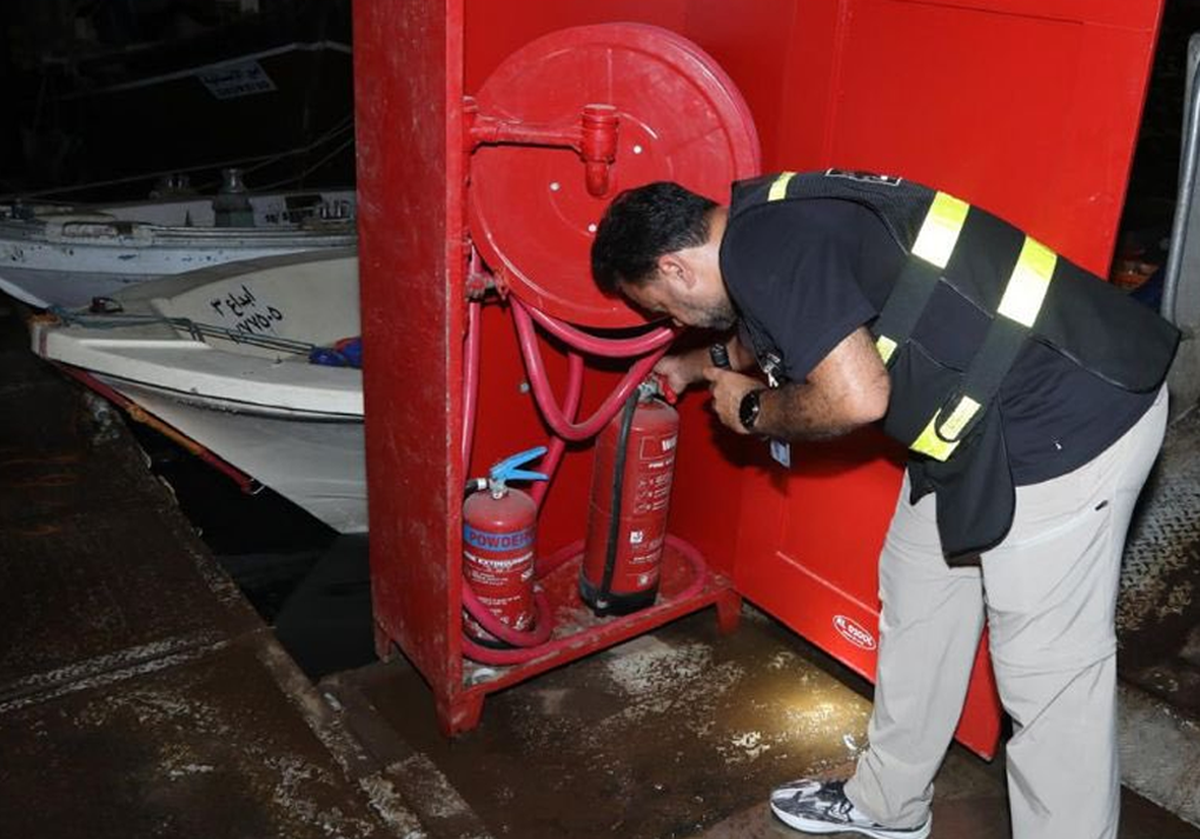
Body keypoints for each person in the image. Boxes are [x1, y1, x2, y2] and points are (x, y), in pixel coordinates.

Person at [590, 170, 1179, 839]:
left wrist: (752, 409)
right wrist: (695, 365)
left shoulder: (766, 249)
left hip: (1069, 421)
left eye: (661, 306)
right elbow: (794, 317)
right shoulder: (765, 222)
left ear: (673, 264)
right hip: (978, 427)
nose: (669, 321)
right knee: (919, 587)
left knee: (1048, 676)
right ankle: (888, 802)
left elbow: (858, 397)